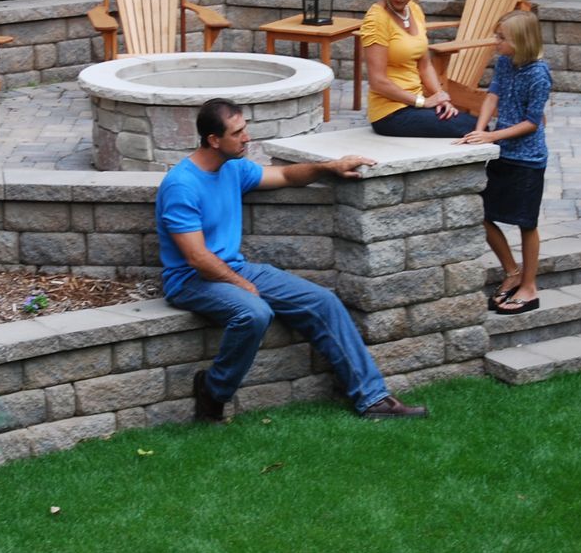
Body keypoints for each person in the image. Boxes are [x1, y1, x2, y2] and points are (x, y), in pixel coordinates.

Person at [156, 98, 429, 422]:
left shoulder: (232, 168)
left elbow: (285, 175)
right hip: (190, 281)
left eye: (245, 129)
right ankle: (213, 391)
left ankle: (373, 400)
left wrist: (329, 168)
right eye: (238, 132)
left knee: (322, 301)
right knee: (254, 312)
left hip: (232, 269)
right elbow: (196, 257)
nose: (247, 138)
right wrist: (242, 285)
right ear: (214, 140)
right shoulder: (181, 185)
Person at [458, 9, 552, 315]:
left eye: (501, 38)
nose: (495, 41)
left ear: (521, 41)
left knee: (526, 223)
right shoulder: (504, 63)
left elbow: (532, 123)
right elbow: (491, 96)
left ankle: (529, 287)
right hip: (502, 153)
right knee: (483, 213)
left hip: (528, 159)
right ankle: (511, 272)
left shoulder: (539, 74)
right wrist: (481, 130)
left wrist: (492, 136)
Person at [360, 0, 473, 139]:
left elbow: (425, 64)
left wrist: (440, 97)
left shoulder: (414, 10)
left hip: (416, 105)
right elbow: (377, 81)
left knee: (477, 124)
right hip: (390, 113)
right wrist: (422, 102)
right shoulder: (376, 18)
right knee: (473, 127)